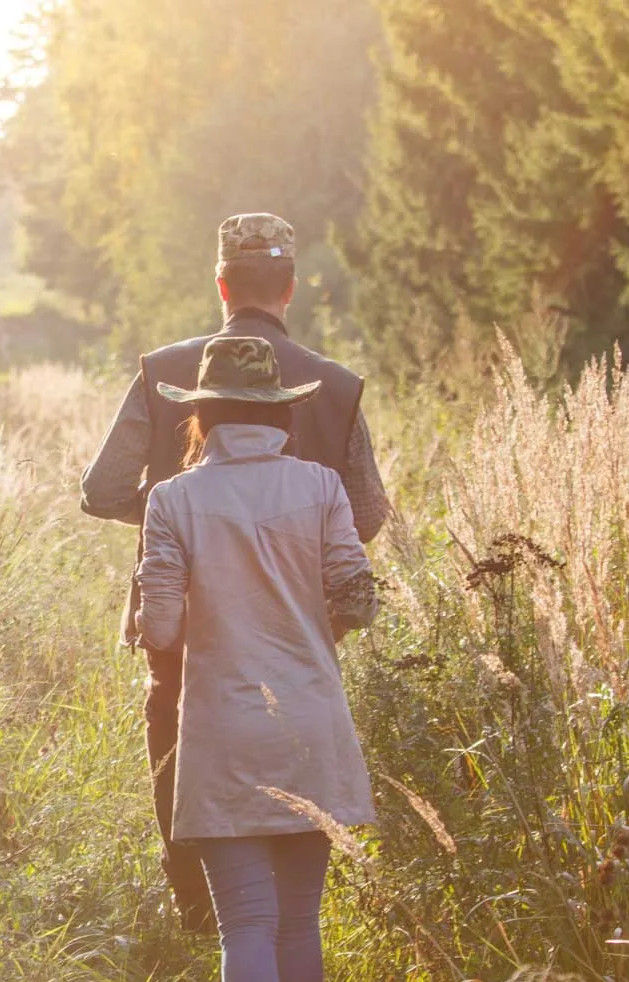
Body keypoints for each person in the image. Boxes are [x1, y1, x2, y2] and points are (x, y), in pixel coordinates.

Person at [80, 213, 389, 934]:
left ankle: (199, 914)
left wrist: (185, 526)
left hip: (184, 628)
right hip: (299, 627)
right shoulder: (337, 386)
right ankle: (281, 922)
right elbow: (367, 513)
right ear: (290, 288)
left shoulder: (163, 371)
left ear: (221, 284)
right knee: (293, 752)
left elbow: (101, 490)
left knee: (180, 745)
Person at [135, 334, 380, 982]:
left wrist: (158, 606)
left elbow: (163, 630)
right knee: (298, 917)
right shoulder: (319, 486)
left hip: (226, 727)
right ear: (277, 413)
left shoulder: (171, 501)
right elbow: (356, 600)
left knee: (245, 917)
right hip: (311, 720)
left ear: (199, 415)